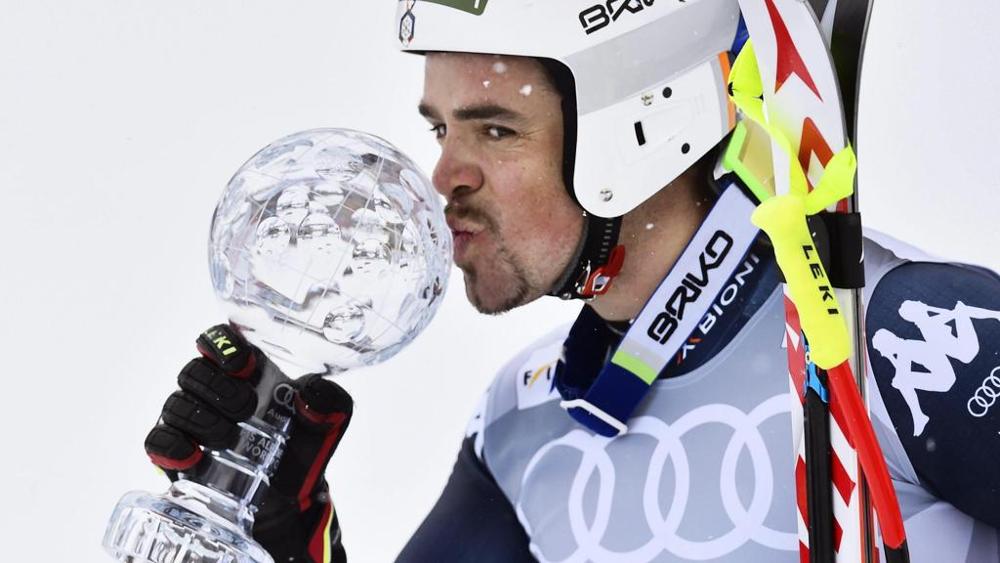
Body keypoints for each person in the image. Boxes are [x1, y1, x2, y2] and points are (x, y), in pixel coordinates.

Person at [144, 1, 1000, 561]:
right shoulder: (527, 425)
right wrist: (289, 533)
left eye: (496, 130)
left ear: (642, 130)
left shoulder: (909, 335)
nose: (444, 177)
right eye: (441, 129)